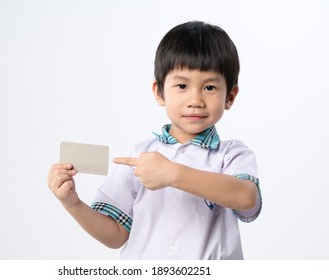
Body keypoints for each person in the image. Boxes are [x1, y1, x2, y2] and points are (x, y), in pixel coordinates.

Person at [47, 21, 262, 259]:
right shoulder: (139, 157)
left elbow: (245, 198)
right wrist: (73, 204)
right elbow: (116, 235)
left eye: (209, 87)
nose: (195, 100)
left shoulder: (233, 154)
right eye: (182, 85)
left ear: (230, 97)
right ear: (159, 92)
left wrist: (173, 174)